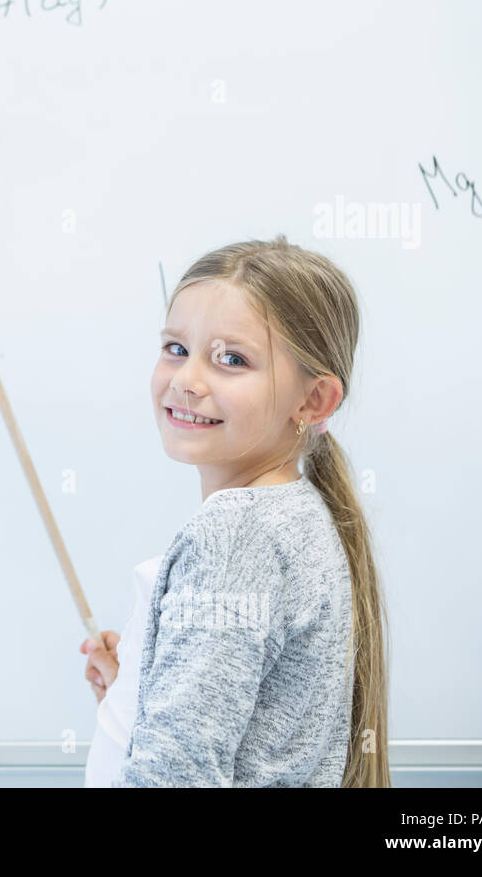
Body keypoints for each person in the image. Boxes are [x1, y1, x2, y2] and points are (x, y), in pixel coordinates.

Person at [82, 235, 390, 787]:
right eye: (176, 348)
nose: (186, 380)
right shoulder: (298, 514)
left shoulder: (235, 534)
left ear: (313, 400)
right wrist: (145, 688)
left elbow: (174, 778)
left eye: (231, 359)